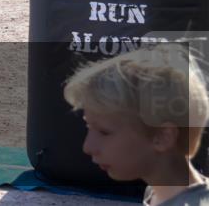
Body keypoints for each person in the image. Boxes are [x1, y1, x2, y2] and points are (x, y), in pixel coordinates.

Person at [64, 45, 209, 206]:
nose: (87, 147)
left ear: (162, 136)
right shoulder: (156, 193)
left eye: (104, 132)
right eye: (89, 127)